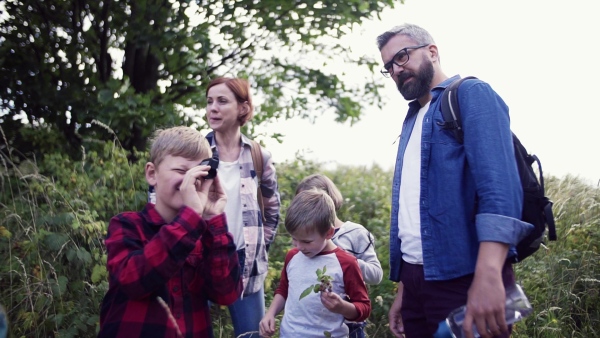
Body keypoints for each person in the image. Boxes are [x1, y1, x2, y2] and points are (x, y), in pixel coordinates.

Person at [375, 24, 533, 338]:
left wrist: (488, 276)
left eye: (402, 56)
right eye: (389, 65)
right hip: (417, 281)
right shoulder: (412, 119)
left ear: (432, 51)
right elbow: (414, 212)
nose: (396, 69)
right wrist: (406, 288)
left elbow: (499, 190)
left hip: (465, 278)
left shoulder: (471, 94)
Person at [98, 126, 243, 338]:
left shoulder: (206, 235)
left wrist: (212, 218)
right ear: (152, 174)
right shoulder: (126, 225)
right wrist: (191, 218)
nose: (191, 181)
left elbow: (226, 293)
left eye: (200, 172)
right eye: (181, 171)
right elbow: (132, 281)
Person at [204, 77, 281, 338]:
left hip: (245, 263)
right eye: (209, 101)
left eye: (222, 101)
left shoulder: (260, 156)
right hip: (199, 260)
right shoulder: (195, 153)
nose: (212, 108)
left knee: (251, 335)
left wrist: (259, 249)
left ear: (242, 108)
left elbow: (272, 211)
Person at [259, 189, 371, 338]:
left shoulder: (346, 263)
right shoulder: (293, 256)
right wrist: (270, 314)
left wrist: (343, 307)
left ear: (329, 233)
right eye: (294, 239)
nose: (298, 246)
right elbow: (283, 290)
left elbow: (364, 307)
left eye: (306, 241)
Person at [295, 174, 382, 338]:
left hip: (349, 323)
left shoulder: (356, 233)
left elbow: (376, 275)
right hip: (314, 323)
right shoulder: (306, 237)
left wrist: (344, 258)